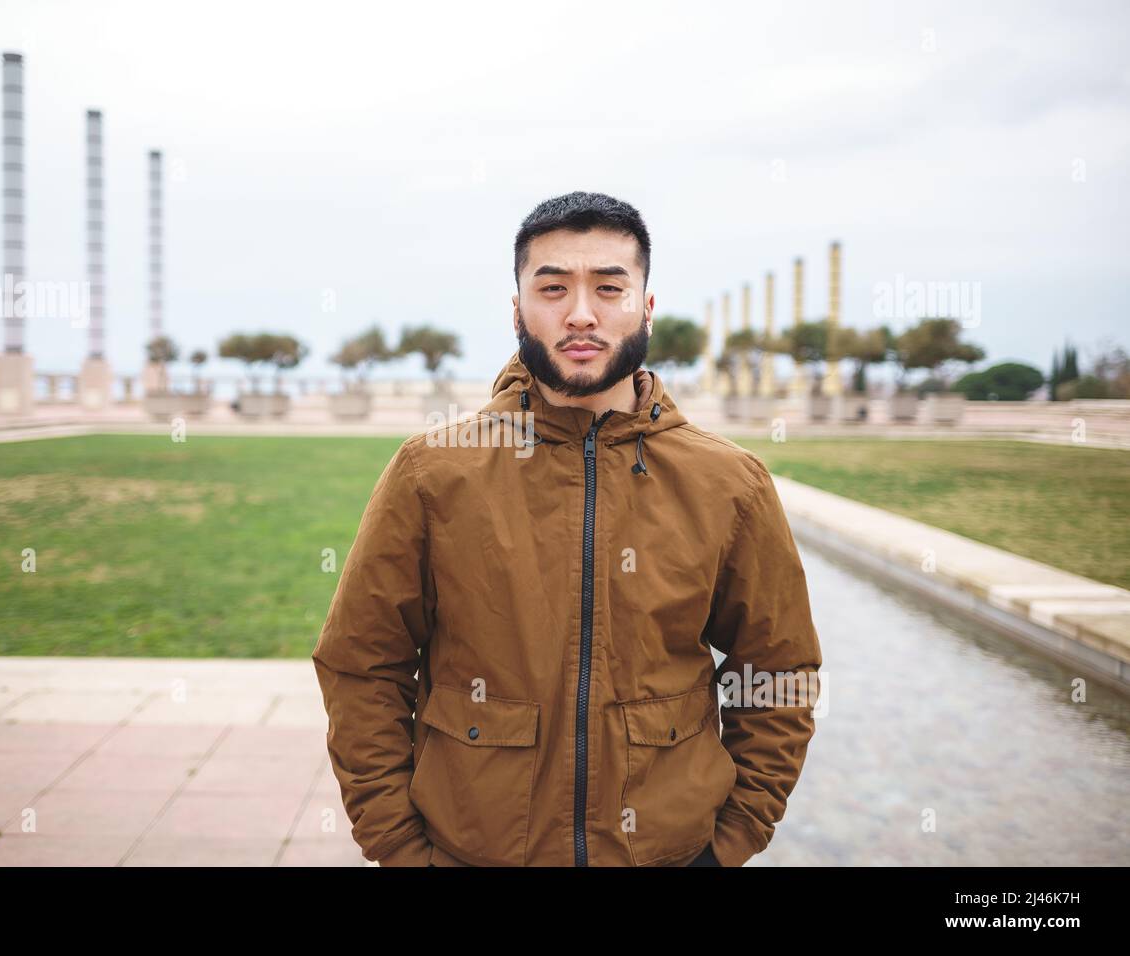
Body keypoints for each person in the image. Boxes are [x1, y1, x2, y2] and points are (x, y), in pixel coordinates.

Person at [312, 191, 822, 867]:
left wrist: (728, 844)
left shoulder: (730, 484)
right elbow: (361, 667)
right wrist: (401, 848)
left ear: (645, 307)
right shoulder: (431, 473)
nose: (581, 313)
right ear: (517, 307)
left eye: (609, 288)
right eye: (552, 288)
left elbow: (777, 674)